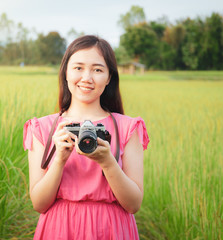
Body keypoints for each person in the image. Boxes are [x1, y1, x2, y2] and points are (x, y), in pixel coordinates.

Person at [23, 35, 149, 239]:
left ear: (109, 77)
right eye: (78, 68)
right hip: (60, 229)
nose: (87, 78)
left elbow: (133, 204)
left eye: (98, 70)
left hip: (112, 230)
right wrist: (59, 160)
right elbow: (39, 204)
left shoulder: (128, 128)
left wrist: (108, 162)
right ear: (65, 72)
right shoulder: (42, 128)